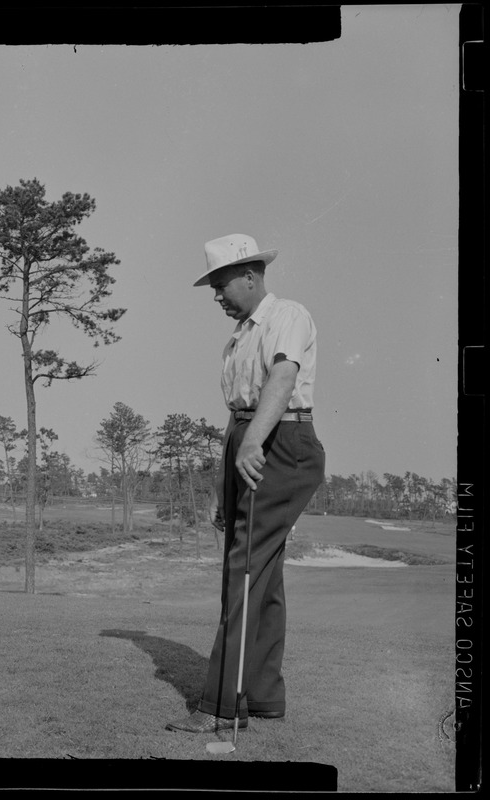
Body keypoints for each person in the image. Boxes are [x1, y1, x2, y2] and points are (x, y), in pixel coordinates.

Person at [166, 234, 325, 734]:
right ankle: (261, 696)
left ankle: (220, 707)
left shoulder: (288, 315)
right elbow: (235, 417)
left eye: (221, 285)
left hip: (281, 439)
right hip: (248, 437)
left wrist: (254, 442)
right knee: (263, 572)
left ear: (251, 277)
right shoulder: (238, 336)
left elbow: (281, 381)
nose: (217, 296)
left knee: (245, 569)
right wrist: (224, 479)